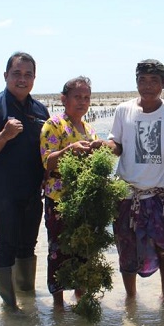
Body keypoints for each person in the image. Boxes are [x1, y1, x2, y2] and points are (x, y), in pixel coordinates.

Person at [107, 59, 164, 300]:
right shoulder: (123, 110)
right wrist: (105, 147)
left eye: (154, 81)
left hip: (162, 193)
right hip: (127, 194)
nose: (147, 86)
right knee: (127, 249)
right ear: (136, 82)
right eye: (142, 80)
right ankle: (131, 298)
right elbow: (117, 144)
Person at [0, 52, 49, 309]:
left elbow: (46, 150)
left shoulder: (40, 110)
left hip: (32, 190)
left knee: (28, 245)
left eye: (28, 74)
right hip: (3, 192)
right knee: (6, 244)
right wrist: (4, 136)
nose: (22, 79)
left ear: (34, 78)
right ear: (6, 75)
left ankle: (27, 297)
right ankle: (9, 305)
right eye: (16, 73)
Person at [40, 76, 102, 307]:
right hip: (59, 200)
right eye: (77, 97)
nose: (82, 102)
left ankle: (81, 298)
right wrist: (70, 149)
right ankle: (58, 305)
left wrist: (100, 149)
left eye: (86, 98)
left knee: (83, 251)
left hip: (84, 200)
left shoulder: (88, 129)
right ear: (64, 99)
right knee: (59, 252)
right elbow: (47, 162)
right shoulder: (54, 124)